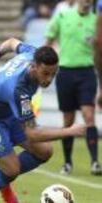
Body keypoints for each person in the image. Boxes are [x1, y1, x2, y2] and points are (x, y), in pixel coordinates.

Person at [0, 38, 86, 203]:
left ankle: (3, 176)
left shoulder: (31, 53)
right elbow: (32, 134)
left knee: (44, 151)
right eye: (45, 74)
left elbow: (13, 42)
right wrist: (69, 131)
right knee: (12, 169)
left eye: (53, 74)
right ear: (33, 66)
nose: (49, 79)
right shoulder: (19, 89)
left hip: (6, 110)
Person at [45, 0, 102, 175]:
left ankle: (95, 162)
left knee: (88, 115)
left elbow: (99, 52)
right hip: (65, 73)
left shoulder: (96, 21)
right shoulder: (63, 16)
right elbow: (49, 40)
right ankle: (67, 162)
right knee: (68, 120)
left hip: (86, 73)